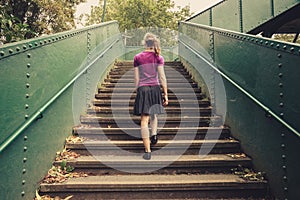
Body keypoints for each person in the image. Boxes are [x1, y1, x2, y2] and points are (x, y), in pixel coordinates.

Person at [133, 32, 168, 160]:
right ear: (154, 43)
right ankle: (153, 134)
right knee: (153, 114)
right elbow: (162, 77)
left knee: (144, 120)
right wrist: (166, 94)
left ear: (144, 43)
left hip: (143, 88)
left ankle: (147, 151)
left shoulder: (137, 57)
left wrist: (138, 91)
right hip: (155, 88)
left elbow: (136, 79)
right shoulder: (159, 57)